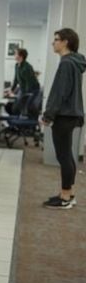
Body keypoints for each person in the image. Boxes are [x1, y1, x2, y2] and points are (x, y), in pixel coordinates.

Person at [42, 28, 85, 209]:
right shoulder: (74, 62)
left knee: (64, 156)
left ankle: (65, 197)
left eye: (56, 39)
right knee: (67, 155)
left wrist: (48, 114)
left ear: (66, 42)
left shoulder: (67, 63)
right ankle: (68, 193)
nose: (54, 43)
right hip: (72, 114)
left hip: (64, 115)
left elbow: (60, 93)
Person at [5, 48, 40, 116]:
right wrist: (11, 91)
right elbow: (15, 79)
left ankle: (28, 122)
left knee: (25, 107)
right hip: (23, 88)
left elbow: (28, 85)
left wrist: (17, 95)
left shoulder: (27, 67)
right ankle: (16, 121)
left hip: (33, 89)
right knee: (12, 107)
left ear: (20, 56)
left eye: (16, 54)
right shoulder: (17, 65)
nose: (14, 55)